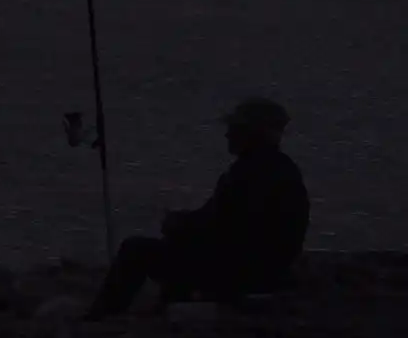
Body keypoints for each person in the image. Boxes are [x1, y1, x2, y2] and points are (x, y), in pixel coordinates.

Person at [85, 97, 309, 319]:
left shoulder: (253, 174)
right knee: (179, 245)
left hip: (247, 271)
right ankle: (169, 307)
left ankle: (101, 318)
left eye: (235, 128)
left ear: (254, 134)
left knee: (136, 250)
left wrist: (181, 226)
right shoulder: (273, 169)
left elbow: (227, 228)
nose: (228, 134)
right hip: (261, 267)